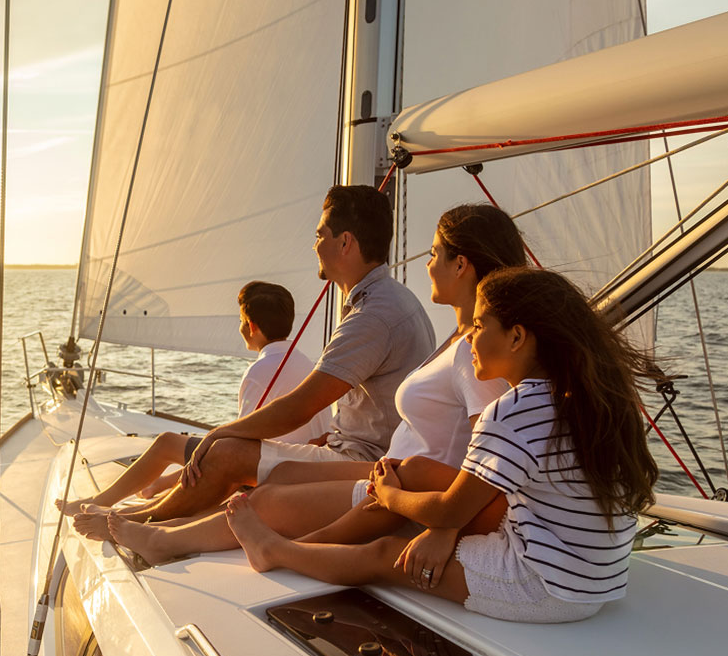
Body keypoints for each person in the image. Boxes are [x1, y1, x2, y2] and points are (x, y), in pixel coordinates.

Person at [226, 267, 660, 624]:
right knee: (418, 470)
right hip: (596, 577)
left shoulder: (514, 410)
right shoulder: (585, 398)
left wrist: (392, 497)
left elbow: (452, 510)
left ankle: (275, 550)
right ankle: (315, 543)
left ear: (516, 337)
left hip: (545, 586)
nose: (468, 338)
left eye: (479, 325)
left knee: (384, 555)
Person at [102, 204, 527, 563]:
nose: (426, 262)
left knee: (261, 494)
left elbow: (486, 451)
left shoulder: (474, 350)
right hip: (394, 470)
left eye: (434, 252)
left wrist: (444, 525)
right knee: (281, 476)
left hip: (410, 489)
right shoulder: (456, 338)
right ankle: (174, 524)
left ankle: (163, 539)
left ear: (461, 265)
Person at [79, 185, 434, 529]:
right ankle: (144, 512)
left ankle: (133, 520)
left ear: (345, 243)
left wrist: (217, 434)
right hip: (367, 453)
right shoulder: (393, 300)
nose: (314, 246)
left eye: (319, 235)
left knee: (226, 453)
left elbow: (300, 407)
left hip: (365, 463)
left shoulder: (372, 315)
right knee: (230, 451)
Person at [58, 281, 329, 515]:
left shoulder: (259, 371)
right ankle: (157, 486)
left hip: (265, 468)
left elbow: (237, 446)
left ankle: (101, 501)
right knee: (201, 450)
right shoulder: (310, 365)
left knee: (166, 443)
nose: (240, 328)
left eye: (240, 321)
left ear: (252, 326)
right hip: (300, 464)